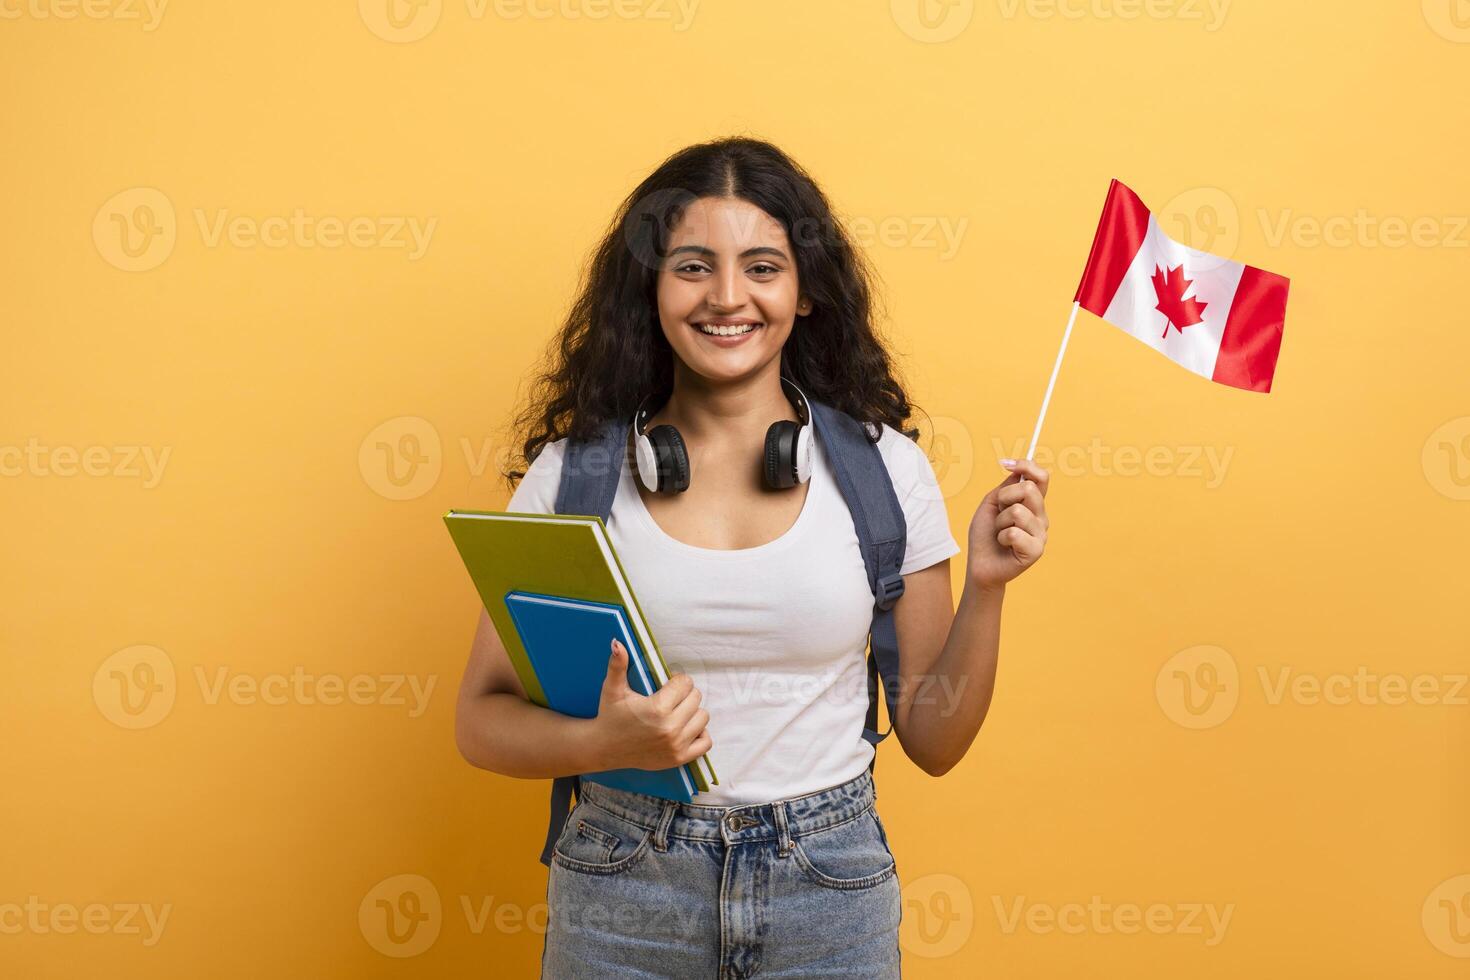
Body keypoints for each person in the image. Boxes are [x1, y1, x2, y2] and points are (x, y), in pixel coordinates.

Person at [454, 136, 1051, 978]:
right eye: (693, 266)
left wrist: (988, 589)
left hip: (828, 888)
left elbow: (935, 741)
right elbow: (480, 722)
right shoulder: (575, 478)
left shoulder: (887, 474)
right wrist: (606, 741)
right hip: (624, 887)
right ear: (651, 289)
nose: (728, 297)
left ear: (806, 293)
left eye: (763, 267)